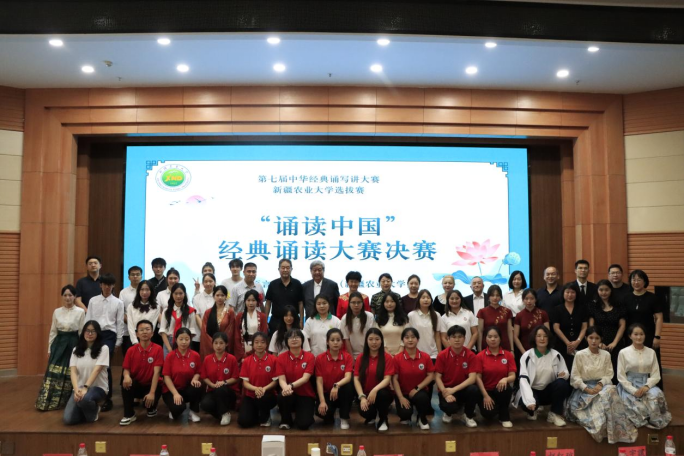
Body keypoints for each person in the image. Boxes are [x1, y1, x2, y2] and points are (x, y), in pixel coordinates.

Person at [566, 327, 638, 444]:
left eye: (597, 338)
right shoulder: (580, 354)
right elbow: (575, 377)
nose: (594, 341)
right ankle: (605, 431)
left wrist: (600, 384)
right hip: (584, 391)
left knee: (611, 390)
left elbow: (609, 374)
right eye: (591, 338)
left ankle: (618, 432)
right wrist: (586, 389)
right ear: (586, 338)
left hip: (602, 387)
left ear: (601, 339)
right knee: (599, 413)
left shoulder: (606, 355)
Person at [36, 285, 86, 411]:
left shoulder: (80, 312)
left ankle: (67, 401)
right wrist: (49, 349)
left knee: (70, 372)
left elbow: (81, 332)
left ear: (75, 297)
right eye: (65, 295)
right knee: (54, 371)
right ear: (62, 297)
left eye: (70, 295)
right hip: (58, 344)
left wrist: (82, 349)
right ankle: (48, 401)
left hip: (73, 343)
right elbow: (53, 331)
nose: (68, 298)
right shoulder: (57, 311)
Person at [617, 323, 671, 430]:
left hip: (646, 384)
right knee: (635, 405)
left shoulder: (651, 352)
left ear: (645, 335)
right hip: (629, 385)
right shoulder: (623, 352)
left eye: (641, 334)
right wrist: (633, 390)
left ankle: (654, 421)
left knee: (656, 396)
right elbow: (621, 376)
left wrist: (647, 386)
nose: (639, 337)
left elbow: (656, 375)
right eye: (636, 334)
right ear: (630, 336)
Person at [515, 325, 570, 427]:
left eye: (545, 336)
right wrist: (529, 400)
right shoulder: (527, 356)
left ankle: (554, 414)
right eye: (539, 336)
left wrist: (564, 375)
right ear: (534, 338)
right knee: (525, 403)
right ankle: (532, 411)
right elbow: (523, 379)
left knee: (562, 384)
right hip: (532, 391)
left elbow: (565, 373)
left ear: (549, 339)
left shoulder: (556, 355)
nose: (542, 339)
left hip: (548, 391)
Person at [85, 273, 124, 412]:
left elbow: (119, 323)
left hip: (109, 336)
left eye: (110, 284)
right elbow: (88, 319)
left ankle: (107, 398)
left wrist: (118, 341)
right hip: (94, 334)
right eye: (105, 284)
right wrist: (85, 337)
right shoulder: (93, 300)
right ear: (100, 285)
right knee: (92, 364)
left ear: (113, 286)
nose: (107, 287)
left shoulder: (118, 302)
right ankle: (90, 392)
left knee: (105, 366)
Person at [63, 321, 109, 425]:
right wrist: (76, 390)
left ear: (98, 333)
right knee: (68, 420)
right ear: (83, 332)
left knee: (85, 400)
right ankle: (85, 408)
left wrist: (85, 388)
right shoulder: (76, 350)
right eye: (87, 331)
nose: (90, 334)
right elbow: (73, 371)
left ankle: (94, 411)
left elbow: (97, 370)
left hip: (98, 388)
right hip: (80, 388)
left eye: (93, 331)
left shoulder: (104, 349)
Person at [623, 269, 664, 389]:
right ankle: (631, 388)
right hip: (630, 336)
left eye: (639, 280)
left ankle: (654, 389)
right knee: (631, 361)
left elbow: (659, 318)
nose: (636, 282)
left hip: (648, 335)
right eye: (633, 279)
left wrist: (657, 336)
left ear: (645, 281)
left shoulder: (652, 298)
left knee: (652, 362)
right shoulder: (626, 298)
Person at [120, 320, 163, 426]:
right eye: (141, 330)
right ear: (137, 334)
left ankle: (151, 408)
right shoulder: (131, 350)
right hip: (138, 384)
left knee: (149, 407)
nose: (144, 332)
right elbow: (126, 369)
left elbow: (157, 372)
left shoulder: (158, 349)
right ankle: (129, 414)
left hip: (152, 385)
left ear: (152, 333)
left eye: (147, 329)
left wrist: (152, 393)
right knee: (125, 382)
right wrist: (126, 376)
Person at [435, 325, 479, 428]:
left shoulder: (471, 355)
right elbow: (437, 377)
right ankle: (448, 413)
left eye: (460, 337)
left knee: (474, 389)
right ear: (448, 339)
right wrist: (446, 393)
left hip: (462, 388)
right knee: (450, 407)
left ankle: (468, 415)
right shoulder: (442, 355)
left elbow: (472, 378)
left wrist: (454, 390)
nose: (457, 340)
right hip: (447, 389)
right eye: (454, 337)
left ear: (464, 338)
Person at [473, 326, 516, 428]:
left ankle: (504, 416)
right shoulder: (480, 356)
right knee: (488, 414)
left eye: (496, 337)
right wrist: (485, 396)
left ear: (500, 338)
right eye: (490, 337)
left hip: (501, 389)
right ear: (486, 339)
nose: (493, 339)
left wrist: (505, 379)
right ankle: (495, 408)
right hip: (486, 390)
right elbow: (478, 378)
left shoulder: (508, 355)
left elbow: (513, 376)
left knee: (506, 388)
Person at [393, 327, 435, 430]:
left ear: (418, 339)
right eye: (407, 337)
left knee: (423, 398)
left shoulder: (425, 357)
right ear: (403, 340)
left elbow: (431, 375)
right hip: (403, 393)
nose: (410, 340)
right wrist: (400, 397)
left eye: (413, 337)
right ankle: (406, 416)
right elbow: (394, 379)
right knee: (405, 414)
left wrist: (417, 388)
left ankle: (421, 418)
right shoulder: (397, 358)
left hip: (419, 391)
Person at [354, 328, 395, 432]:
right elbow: (356, 379)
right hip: (366, 394)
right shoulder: (360, 358)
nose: (374, 342)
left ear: (381, 341)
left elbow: (387, 379)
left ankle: (383, 419)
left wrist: (375, 390)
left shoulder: (387, 358)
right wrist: (362, 397)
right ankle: (371, 416)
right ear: (366, 341)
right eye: (371, 339)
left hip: (382, 393)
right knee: (365, 411)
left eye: (377, 339)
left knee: (382, 394)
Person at [276, 328, 317, 430]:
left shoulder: (310, 357)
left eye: (297, 337)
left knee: (304, 424)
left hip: (305, 394)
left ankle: (303, 415)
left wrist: (290, 386)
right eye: (291, 337)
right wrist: (286, 388)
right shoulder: (281, 357)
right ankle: (286, 420)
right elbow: (281, 379)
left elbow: (305, 378)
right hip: (289, 393)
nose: (294, 339)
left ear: (302, 340)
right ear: (286, 341)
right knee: (283, 396)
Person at [315, 328, 354, 430]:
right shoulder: (320, 358)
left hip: (341, 392)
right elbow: (319, 382)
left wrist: (336, 385)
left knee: (348, 387)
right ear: (327, 342)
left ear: (342, 342)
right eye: (332, 340)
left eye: (338, 340)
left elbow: (348, 377)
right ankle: (330, 415)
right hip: (327, 393)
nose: (335, 343)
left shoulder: (347, 357)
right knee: (323, 414)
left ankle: (344, 417)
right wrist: (322, 401)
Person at [238, 332, 279, 428]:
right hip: (251, 395)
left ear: (267, 344)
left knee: (262, 398)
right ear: (252, 344)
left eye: (262, 342)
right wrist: (256, 389)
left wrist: (264, 389)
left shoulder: (274, 360)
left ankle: (266, 417)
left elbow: (275, 381)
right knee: (244, 422)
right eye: (256, 342)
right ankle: (256, 414)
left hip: (268, 395)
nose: (259, 345)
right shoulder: (247, 361)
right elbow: (245, 383)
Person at [162, 327, 203, 422]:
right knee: (178, 409)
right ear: (176, 340)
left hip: (186, 389)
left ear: (190, 340)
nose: (184, 342)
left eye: (186, 339)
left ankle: (192, 412)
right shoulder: (170, 356)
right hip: (171, 391)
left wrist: (195, 379)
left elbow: (198, 372)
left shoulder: (195, 355)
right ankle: (175, 408)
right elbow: (166, 377)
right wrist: (175, 393)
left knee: (197, 386)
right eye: (181, 339)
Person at [588, 279, 626, 382]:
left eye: (606, 290)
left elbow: (622, 325)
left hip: (615, 343)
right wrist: (599, 342)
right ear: (597, 291)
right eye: (601, 290)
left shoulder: (619, 305)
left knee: (615, 370)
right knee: (599, 371)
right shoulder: (593, 306)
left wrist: (614, 343)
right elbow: (592, 327)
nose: (604, 292)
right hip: (598, 343)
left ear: (611, 290)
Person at [201, 332, 240, 426]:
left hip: (228, 391)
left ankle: (224, 412)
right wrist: (212, 385)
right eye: (216, 343)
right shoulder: (207, 359)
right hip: (212, 390)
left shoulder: (232, 359)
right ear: (212, 344)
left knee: (220, 389)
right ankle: (222, 415)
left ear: (226, 344)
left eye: (221, 343)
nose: (218, 346)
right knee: (205, 404)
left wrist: (224, 382)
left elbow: (236, 378)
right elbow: (204, 377)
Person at [552, 282, 588, 370]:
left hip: (580, 344)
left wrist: (577, 341)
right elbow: (556, 328)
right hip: (562, 344)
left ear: (576, 294)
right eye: (567, 292)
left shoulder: (582, 308)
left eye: (572, 292)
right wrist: (568, 343)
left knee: (580, 369)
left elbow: (584, 327)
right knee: (564, 370)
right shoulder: (557, 309)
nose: (570, 295)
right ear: (563, 293)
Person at [159, 283, 199, 357]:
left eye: (181, 293)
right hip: (169, 342)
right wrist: (169, 348)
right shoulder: (166, 311)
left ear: (185, 294)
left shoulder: (191, 311)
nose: (178, 296)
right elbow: (163, 331)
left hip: (185, 342)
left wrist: (185, 342)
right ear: (172, 294)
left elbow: (192, 331)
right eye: (175, 293)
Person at [265, 259, 305, 333]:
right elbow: (268, 303)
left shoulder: (297, 284)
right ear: (279, 269)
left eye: (287, 267)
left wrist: (301, 321)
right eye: (283, 268)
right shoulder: (273, 284)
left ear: (291, 269)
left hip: (293, 321)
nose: (285, 270)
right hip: (276, 321)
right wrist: (265, 320)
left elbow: (300, 303)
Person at [201, 285, 236, 359]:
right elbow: (204, 331)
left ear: (226, 297)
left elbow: (231, 330)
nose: (220, 297)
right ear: (213, 296)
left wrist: (222, 343)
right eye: (217, 295)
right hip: (210, 345)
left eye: (222, 295)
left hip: (225, 346)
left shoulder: (230, 312)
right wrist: (214, 343)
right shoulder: (208, 312)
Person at [477, 285, 514, 353]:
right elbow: (480, 331)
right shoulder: (482, 312)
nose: (495, 298)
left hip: (504, 345)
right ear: (488, 297)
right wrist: (479, 349)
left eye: (497, 295)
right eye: (492, 295)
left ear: (500, 297)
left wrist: (512, 349)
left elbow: (509, 331)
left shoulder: (507, 311)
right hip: (487, 345)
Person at [513, 289, 550, 355]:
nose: (529, 301)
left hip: (541, 349)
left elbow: (547, 333)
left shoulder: (543, 314)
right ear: (523, 300)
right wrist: (524, 352)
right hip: (524, 350)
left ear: (535, 299)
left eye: (532, 298)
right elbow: (515, 337)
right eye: (526, 299)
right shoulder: (519, 315)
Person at [234, 289, 268, 361]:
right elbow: (236, 336)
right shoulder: (239, 316)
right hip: (243, 349)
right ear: (245, 301)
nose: (251, 303)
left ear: (257, 302)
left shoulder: (262, 316)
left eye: (253, 300)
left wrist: (254, 351)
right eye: (248, 300)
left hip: (258, 348)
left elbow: (264, 334)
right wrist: (242, 355)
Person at [407, 289, 441, 360]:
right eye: (423, 297)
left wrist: (440, 354)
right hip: (416, 353)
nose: (426, 300)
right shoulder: (411, 315)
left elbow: (437, 336)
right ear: (418, 300)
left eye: (428, 297)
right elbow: (408, 336)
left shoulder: (436, 315)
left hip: (433, 354)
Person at [341, 291, 375, 360]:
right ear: (349, 304)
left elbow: (372, 336)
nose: (356, 305)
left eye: (359, 302)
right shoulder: (345, 318)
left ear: (362, 303)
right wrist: (351, 358)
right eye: (353, 302)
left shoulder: (369, 316)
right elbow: (346, 339)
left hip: (368, 354)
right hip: (352, 355)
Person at [127, 280, 160, 346]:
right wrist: (135, 341)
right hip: (133, 338)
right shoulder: (131, 306)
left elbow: (152, 325)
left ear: (151, 291)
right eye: (142, 289)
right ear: (138, 291)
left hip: (149, 340)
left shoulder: (156, 307)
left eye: (147, 290)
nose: (144, 292)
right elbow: (130, 325)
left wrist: (146, 340)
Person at [120, 266, 143, 357]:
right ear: (129, 277)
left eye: (137, 274)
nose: (135, 277)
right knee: (128, 357)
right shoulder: (123, 292)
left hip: (144, 332)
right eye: (133, 275)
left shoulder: (146, 291)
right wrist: (131, 324)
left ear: (141, 276)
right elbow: (121, 312)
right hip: (127, 332)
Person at [192, 273, 217, 352]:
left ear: (215, 282)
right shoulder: (197, 297)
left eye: (210, 281)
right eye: (206, 281)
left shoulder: (218, 297)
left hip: (216, 334)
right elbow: (197, 315)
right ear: (202, 283)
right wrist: (204, 331)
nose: (208, 283)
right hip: (199, 334)